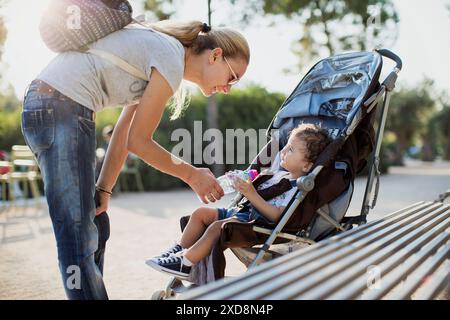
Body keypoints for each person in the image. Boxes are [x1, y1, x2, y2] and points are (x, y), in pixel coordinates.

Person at [21, 20, 250, 299]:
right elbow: (139, 142)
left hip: (59, 107)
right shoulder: (171, 57)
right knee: (77, 233)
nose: (229, 88)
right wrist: (192, 175)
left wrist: (103, 188)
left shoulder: (165, 55)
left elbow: (123, 134)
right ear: (215, 56)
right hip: (59, 107)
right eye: (233, 77)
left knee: (96, 222)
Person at [146, 123, 332, 280]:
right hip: (241, 211)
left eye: (290, 149)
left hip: (256, 223)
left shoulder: (297, 188)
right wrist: (240, 180)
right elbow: (254, 181)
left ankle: (186, 264)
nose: (283, 151)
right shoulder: (278, 173)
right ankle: (178, 252)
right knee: (201, 214)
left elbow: (276, 215)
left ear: (306, 165)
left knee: (217, 227)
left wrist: (251, 194)